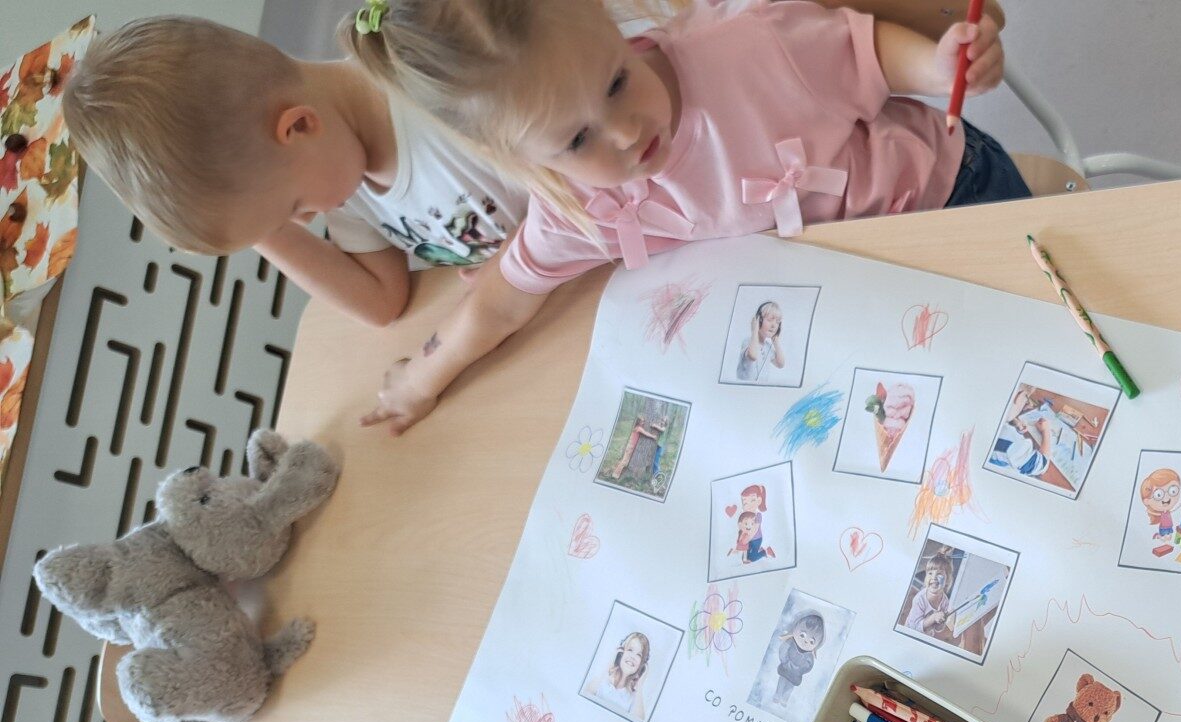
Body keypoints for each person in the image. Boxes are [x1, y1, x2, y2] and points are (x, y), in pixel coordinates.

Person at [344, 0, 1026, 434]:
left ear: (610, 25)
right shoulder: (580, 206)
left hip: (947, 199)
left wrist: (937, 67)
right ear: (519, 161)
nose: (625, 132)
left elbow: (867, 54)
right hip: (855, 289)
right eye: (576, 139)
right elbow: (499, 300)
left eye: (617, 82)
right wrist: (422, 380)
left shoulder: (750, 46)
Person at [61, 16, 528, 329]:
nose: (305, 221)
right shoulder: (341, 165)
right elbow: (381, 301)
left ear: (300, 126)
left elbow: (569, 199)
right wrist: (258, 227)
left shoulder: (446, 98)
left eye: (293, 208)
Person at [588, 631, 651, 721]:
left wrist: (640, 685)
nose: (633, 657)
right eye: (630, 650)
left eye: (639, 655)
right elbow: (586, 693)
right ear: (621, 653)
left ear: (641, 665)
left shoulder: (634, 697)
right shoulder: (602, 680)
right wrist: (610, 664)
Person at [904, 553, 955, 639]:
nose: (934, 577)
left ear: (947, 580)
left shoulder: (945, 601)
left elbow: (937, 628)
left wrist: (943, 620)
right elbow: (913, 627)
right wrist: (934, 617)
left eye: (939, 574)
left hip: (927, 636)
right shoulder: (919, 599)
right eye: (930, 573)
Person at [736, 301, 786, 382]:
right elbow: (752, 356)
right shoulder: (748, 342)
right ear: (759, 321)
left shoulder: (767, 346)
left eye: (777, 322)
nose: (774, 325)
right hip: (744, 388)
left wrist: (776, 341)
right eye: (770, 320)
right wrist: (755, 330)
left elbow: (780, 364)